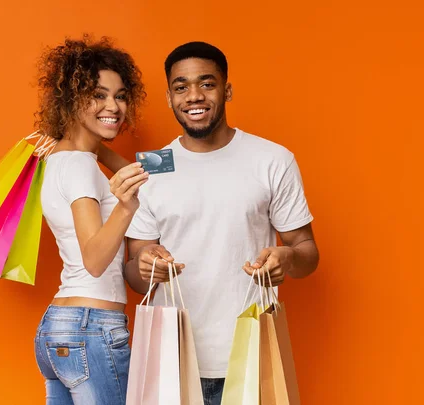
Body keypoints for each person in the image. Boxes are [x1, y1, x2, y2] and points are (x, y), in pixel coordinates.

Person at [123, 41, 320, 405]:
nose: (194, 96)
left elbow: (307, 252)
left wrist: (287, 258)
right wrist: (147, 264)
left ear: (226, 89)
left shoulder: (272, 159)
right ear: (169, 97)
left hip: (250, 356)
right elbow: (135, 277)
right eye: (181, 87)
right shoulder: (151, 167)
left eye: (207, 83)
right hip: (173, 359)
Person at [32, 35, 147, 405]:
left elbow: (127, 172)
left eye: (120, 95)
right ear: (71, 100)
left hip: (59, 330)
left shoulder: (60, 159)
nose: (113, 105)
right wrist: (125, 209)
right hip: (92, 328)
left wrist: (98, 142)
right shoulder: (81, 166)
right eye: (97, 95)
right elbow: (95, 259)